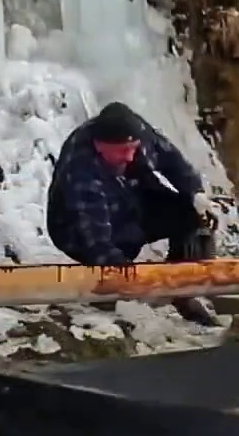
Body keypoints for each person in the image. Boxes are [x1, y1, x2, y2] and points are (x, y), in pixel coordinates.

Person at [46, 102, 221, 326]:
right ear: (100, 146)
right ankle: (106, 294)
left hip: (131, 197)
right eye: (122, 151)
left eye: (133, 148)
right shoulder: (80, 168)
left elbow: (173, 161)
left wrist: (196, 193)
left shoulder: (139, 132)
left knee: (193, 216)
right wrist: (126, 274)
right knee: (116, 252)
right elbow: (94, 238)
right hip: (76, 229)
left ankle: (182, 290)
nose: (129, 157)